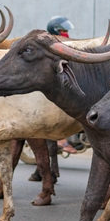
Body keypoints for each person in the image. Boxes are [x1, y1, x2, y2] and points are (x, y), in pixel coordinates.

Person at [46, 15, 77, 154]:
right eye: (63, 30)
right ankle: (61, 140)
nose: (66, 32)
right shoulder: (52, 42)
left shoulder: (65, 42)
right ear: (56, 29)